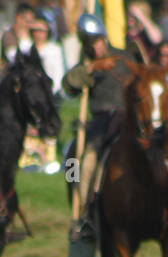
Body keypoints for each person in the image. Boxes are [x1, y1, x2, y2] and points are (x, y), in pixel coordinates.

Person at [61, 12, 134, 243]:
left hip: (128, 121)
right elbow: (68, 84)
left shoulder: (124, 57)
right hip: (101, 124)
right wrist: (92, 68)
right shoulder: (86, 66)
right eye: (89, 44)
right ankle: (83, 216)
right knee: (83, 160)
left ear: (104, 38)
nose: (95, 47)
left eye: (97, 42)